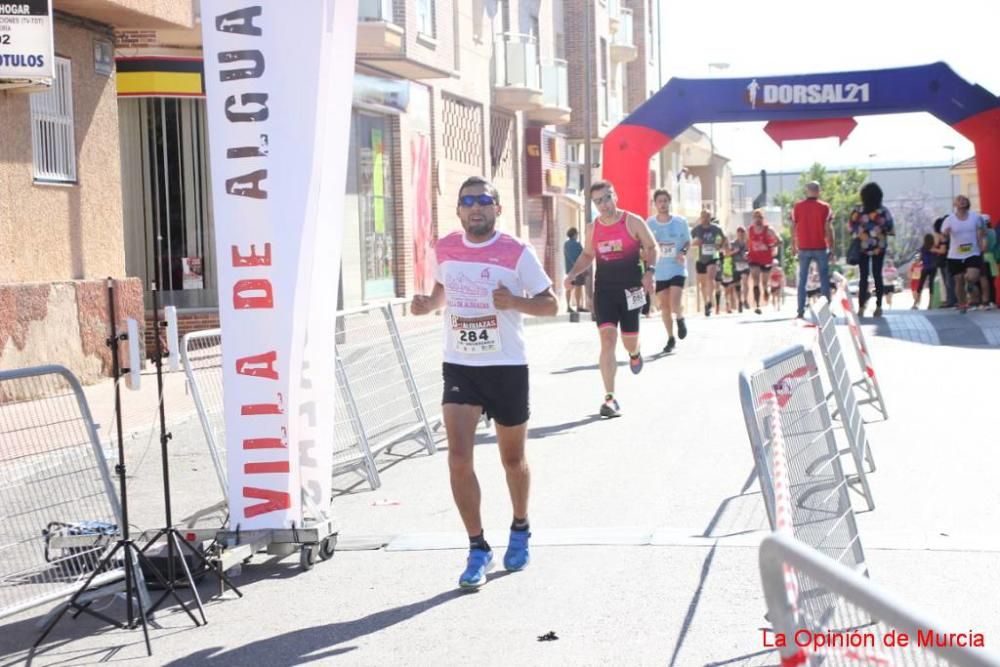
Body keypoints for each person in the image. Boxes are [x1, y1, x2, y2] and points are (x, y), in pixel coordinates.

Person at [411, 176, 558, 588]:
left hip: (507, 366)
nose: (476, 207)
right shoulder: (445, 248)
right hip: (460, 365)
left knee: (512, 460)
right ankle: (477, 547)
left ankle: (520, 527)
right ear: (458, 210)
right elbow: (442, 289)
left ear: (497, 208)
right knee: (458, 458)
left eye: (484, 200)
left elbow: (551, 303)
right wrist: (428, 304)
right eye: (467, 201)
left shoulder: (516, 252)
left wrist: (514, 302)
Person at [564, 180, 658, 418]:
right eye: (598, 201)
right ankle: (610, 398)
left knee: (629, 341)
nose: (604, 205)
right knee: (607, 340)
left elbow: (651, 246)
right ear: (594, 204)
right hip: (605, 290)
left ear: (614, 195)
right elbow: (587, 254)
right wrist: (573, 273)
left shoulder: (633, 221)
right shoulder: (592, 228)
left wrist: (650, 271)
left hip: (631, 290)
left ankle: (635, 353)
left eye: (607, 198)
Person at [646, 189, 690, 353]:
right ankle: (671, 338)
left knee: (674, 302)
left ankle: (680, 318)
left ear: (669, 202)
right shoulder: (649, 223)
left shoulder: (680, 222)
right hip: (660, 271)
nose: (663, 204)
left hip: (677, 268)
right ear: (655, 204)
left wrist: (682, 252)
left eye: (665, 201)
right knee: (664, 307)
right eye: (659, 201)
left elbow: (687, 242)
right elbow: (646, 244)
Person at [847, 182, 894, 317]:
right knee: (878, 275)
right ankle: (879, 306)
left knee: (863, 277)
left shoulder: (858, 210)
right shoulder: (883, 211)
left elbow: (850, 227)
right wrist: (879, 230)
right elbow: (890, 228)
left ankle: (861, 306)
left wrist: (861, 232)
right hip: (879, 247)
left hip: (862, 247)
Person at [791, 181, 834, 319]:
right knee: (824, 279)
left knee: (802, 279)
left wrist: (793, 245)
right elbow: (828, 228)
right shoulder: (825, 207)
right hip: (820, 246)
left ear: (806, 191)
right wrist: (832, 247)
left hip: (803, 247)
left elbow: (793, 227)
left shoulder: (797, 207)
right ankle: (826, 309)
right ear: (818, 191)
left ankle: (800, 310)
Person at [941, 194, 987, 314]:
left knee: (972, 276)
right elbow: (943, 236)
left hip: (972, 252)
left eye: (964, 200)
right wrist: (945, 234)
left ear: (967, 203)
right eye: (959, 200)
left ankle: (970, 283)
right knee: (959, 280)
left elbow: (982, 231)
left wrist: (983, 242)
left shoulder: (975, 217)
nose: (962, 201)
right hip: (955, 255)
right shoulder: (949, 220)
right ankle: (962, 304)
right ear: (954, 204)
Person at [691, 211, 728, 316]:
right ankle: (706, 302)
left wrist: (719, 246)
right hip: (700, 258)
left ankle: (710, 301)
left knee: (710, 278)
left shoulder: (716, 228)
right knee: (702, 284)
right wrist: (695, 243)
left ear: (710, 217)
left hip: (713, 256)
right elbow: (688, 239)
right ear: (701, 218)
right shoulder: (697, 229)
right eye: (703, 217)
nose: (705, 219)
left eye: (707, 217)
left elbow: (724, 238)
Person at [746, 209, 779, 314]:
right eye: (756, 217)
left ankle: (765, 290)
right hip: (754, 258)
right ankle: (757, 305)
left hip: (766, 259)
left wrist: (770, 246)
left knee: (764, 283)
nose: (758, 220)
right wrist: (747, 251)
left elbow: (780, 241)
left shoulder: (768, 229)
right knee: (755, 280)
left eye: (760, 217)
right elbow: (748, 242)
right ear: (753, 219)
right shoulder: (750, 230)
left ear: (763, 219)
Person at [563, 228, 587, 313]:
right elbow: (582, 256)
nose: (577, 235)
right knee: (578, 287)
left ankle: (568, 306)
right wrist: (583, 268)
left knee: (569, 287)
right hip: (578, 269)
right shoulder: (577, 244)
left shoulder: (566, 244)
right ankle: (578, 306)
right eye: (577, 234)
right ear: (574, 234)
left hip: (570, 270)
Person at [729, 226, 750, 312]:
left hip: (745, 264)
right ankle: (739, 301)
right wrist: (734, 251)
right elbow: (727, 253)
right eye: (739, 233)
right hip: (736, 265)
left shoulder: (748, 243)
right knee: (737, 285)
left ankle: (745, 299)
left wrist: (748, 254)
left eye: (742, 233)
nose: (741, 235)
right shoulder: (733, 243)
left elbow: (752, 251)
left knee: (745, 282)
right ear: (737, 234)